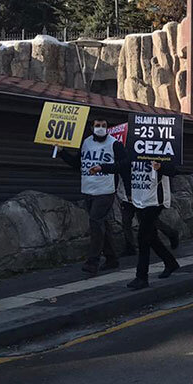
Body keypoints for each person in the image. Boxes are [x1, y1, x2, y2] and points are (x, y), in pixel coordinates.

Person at [59, 118, 128, 275]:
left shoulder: (114, 144)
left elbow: (124, 164)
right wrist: (62, 152)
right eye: (98, 126)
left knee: (95, 222)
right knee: (103, 225)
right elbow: (78, 164)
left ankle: (93, 262)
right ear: (92, 127)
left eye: (104, 125)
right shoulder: (86, 142)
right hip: (88, 189)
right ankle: (112, 259)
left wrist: (103, 167)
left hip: (106, 190)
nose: (101, 128)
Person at [124, 155, 180, 290]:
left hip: (155, 201)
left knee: (143, 237)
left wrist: (161, 167)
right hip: (140, 198)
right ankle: (170, 262)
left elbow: (174, 169)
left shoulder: (160, 150)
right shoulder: (133, 151)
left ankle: (142, 277)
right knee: (151, 237)